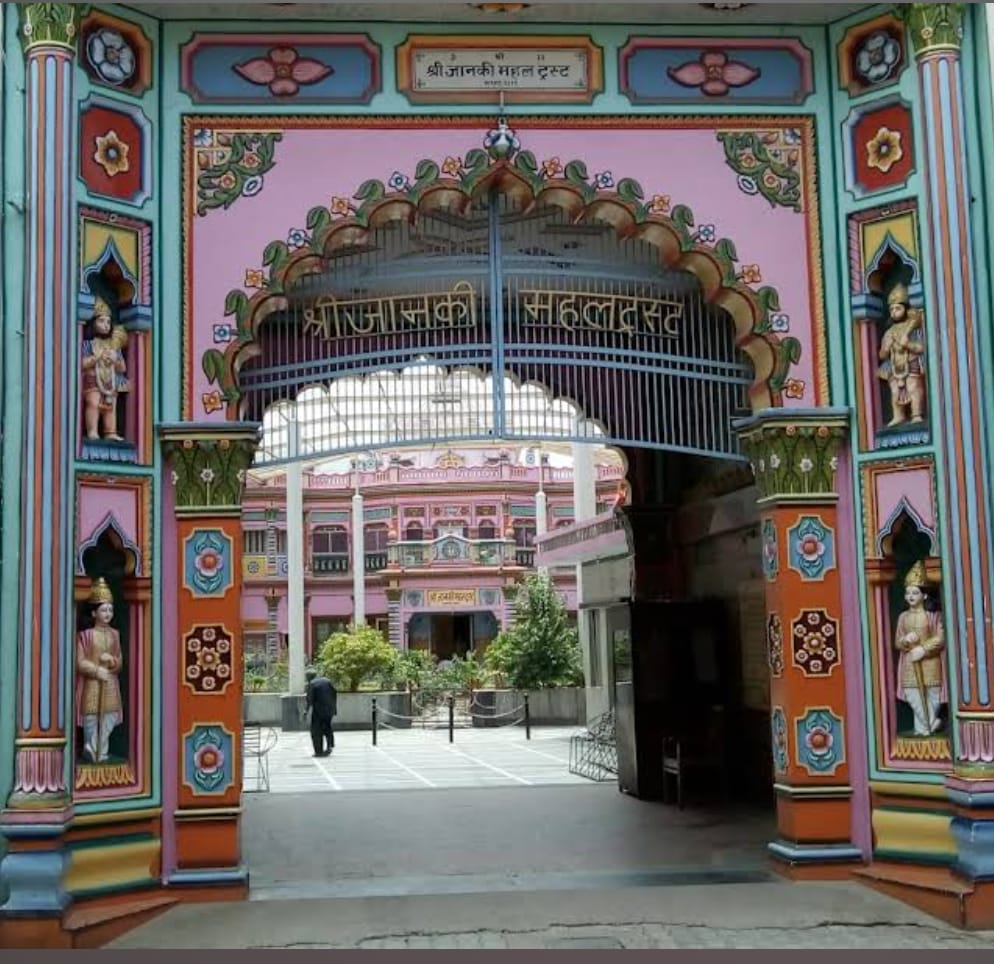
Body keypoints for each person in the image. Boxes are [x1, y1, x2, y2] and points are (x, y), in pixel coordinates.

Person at [894, 560, 946, 737]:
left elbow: (941, 637)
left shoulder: (933, 615)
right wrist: (905, 640)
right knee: (912, 695)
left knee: (933, 696)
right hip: (910, 664)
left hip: (931, 662)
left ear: (924, 596)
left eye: (915, 593)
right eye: (907, 593)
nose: (910, 596)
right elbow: (897, 642)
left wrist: (923, 649)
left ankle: (923, 729)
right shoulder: (903, 617)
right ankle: (931, 723)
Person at [76, 577, 124, 763]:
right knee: (91, 718)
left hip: (110, 683)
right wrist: (96, 670)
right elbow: (80, 662)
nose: (108, 613)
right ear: (94, 613)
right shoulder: (86, 635)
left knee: (109, 717)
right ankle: (91, 746)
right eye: (103, 610)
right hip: (92, 684)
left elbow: (120, 660)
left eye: (110, 609)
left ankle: (98, 749)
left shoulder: (115, 634)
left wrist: (112, 661)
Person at [877, 283, 926, 428]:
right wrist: (885, 348)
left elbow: (921, 347)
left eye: (897, 308)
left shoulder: (913, 327)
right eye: (891, 309)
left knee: (913, 388)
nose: (894, 312)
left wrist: (907, 344)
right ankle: (898, 415)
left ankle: (916, 414)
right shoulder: (889, 331)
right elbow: (882, 355)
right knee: (895, 392)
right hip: (893, 365)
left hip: (911, 363)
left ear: (906, 308)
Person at [81, 297, 129, 441]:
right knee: (93, 403)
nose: (106, 325)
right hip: (93, 380)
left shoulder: (114, 346)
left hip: (111, 382)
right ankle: (92, 431)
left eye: (108, 322)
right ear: (93, 323)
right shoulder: (88, 344)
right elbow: (82, 363)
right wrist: (95, 358)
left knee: (110, 408)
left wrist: (115, 359)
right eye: (101, 321)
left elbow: (122, 368)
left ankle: (110, 432)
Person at [305, 667, 337, 757]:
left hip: (319, 711)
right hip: (330, 710)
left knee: (316, 730)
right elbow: (334, 692)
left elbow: (309, 700)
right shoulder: (327, 680)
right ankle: (330, 745)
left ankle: (318, 751)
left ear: (309, 677)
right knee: (327, 727)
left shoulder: (312, 684)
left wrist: (306, 711)